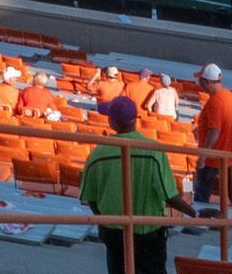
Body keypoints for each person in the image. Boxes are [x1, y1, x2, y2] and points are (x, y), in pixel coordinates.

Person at [79, 96, 204, 274]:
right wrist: (194, 213)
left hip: (114, 232)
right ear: (135, 120)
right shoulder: (153, 150)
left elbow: (90, 198)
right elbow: (169, 196)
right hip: (148, 233)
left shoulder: (98, 153)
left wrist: (102, 221)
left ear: (112, 122)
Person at [190, 63, 232, 208]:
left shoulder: (215, 102)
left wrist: (203, 156)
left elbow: (215, 131)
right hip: (229, 155)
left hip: (212, 159)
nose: (199, 83)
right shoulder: (229, 96)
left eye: (200, 80)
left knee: (201, 195)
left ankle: (199, 223)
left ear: (206, 82)